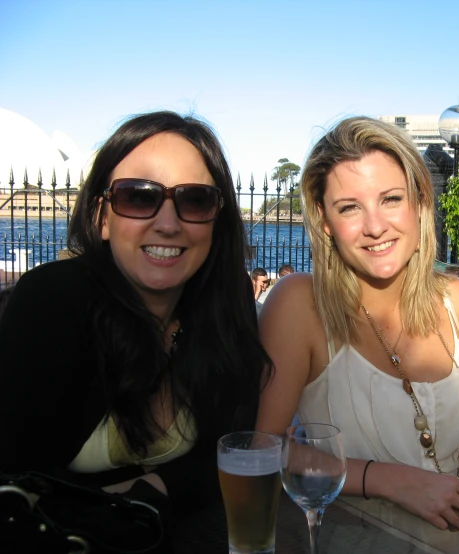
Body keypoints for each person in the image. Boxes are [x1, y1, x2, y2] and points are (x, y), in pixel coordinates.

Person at [0, 112, 269, 525]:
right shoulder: (52, 300)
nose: (167, 224)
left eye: (194, 200)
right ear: (102, 217)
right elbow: (16, 483)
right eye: (138, 197)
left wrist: (142, 492)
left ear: (218, 218)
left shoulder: (225, 296)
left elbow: (233, 451)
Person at [256, 117, 459, 554]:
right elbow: (264, 453)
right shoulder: (300, 305)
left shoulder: (458, 302)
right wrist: (392, 482)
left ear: (420, 204)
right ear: (325, 221)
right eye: (349, 207)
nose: (375, 226)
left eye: (390, 199)